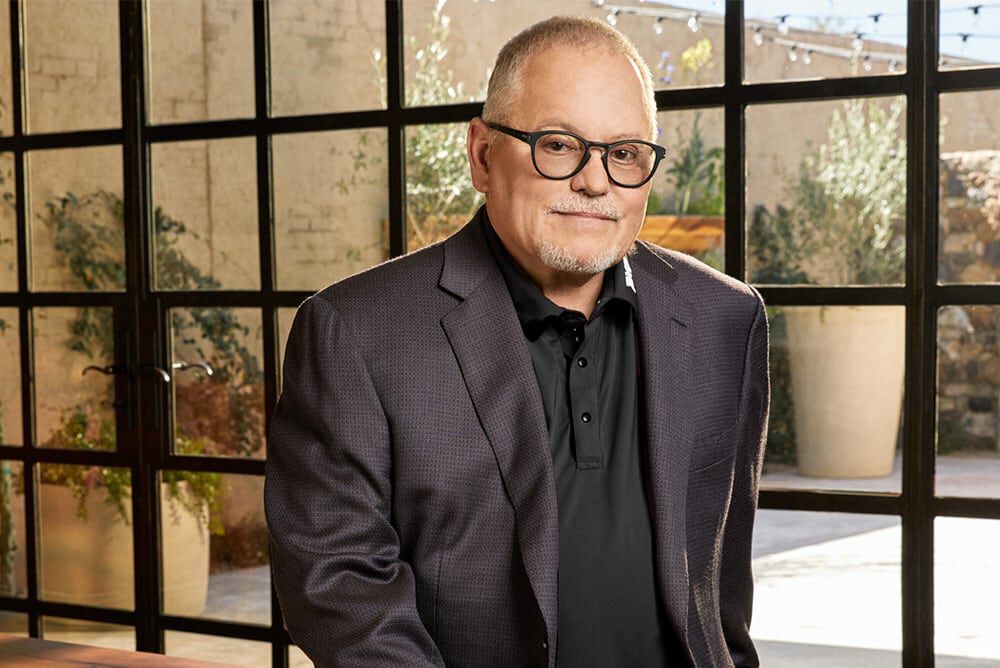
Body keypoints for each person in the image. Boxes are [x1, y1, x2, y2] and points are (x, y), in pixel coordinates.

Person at [265, 15, 769, 668]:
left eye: (624, 153)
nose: (596, 182)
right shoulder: (355, 332)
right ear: (481, 154)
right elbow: (336, 587)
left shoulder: (725, 320)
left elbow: (722, 588)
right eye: (558, 145)